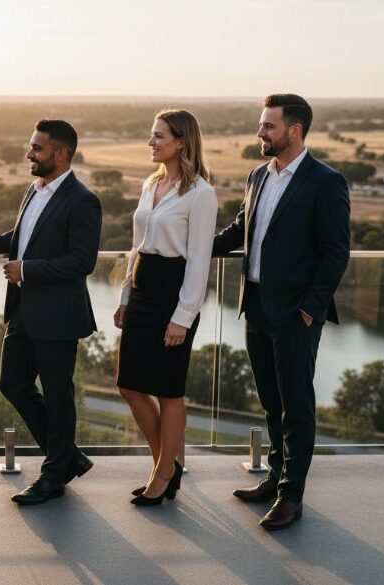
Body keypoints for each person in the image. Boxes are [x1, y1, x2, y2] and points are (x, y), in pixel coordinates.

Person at [213, 94, 350, 530]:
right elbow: (239, 231)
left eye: (268, 126)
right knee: (272, 402)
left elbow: (334, 254)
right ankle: (275, 476)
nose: (260, 133)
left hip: (295, 315)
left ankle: (293, 495)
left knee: (297, 406)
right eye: (261, 125)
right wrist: (188, 247)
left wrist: (309, 311)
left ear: (294, 130)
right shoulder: (257, 175)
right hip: (255, 307)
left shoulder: (326, 182)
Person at [0, 119, 101, 505]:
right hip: (22, 311)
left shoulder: (83, 200)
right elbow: (19, 237)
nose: (29, 153)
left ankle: (54, 473)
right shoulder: (33, 190)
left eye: (36, 148)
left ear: (60, 153)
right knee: (12, 384)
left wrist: (28, 270)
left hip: (58, 316)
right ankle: (66, 456)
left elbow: (82, 260)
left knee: (58, 395)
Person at [114, 110, 218, 506]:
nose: (151, 143)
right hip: (142, 290)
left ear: (182, 142)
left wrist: (183, 316)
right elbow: (136, 247)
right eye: (151, 136)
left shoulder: (201, 194)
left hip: (174, 296)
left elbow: (199, 262)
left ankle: (161, 473)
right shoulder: (150, 183)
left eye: (159, 136)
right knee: (129, 384)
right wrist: (125, 297)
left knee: (169, 391)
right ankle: (167, 464)